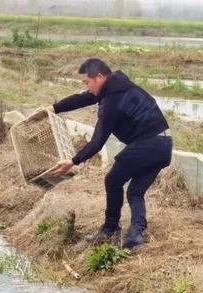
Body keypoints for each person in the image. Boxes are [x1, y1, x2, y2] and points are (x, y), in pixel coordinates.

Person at [49, 58, 173, 249]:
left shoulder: (111, 101)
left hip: (147, 144)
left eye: (86, 82)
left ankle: (110, 229)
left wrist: (73, 161)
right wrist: (54, 108)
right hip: (164, 145)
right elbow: (84, 98)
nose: (86, 87)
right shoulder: (118, 85)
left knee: (112, 180)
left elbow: (97, 141)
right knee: (135, 191)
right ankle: (136, 233)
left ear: (99, 77)